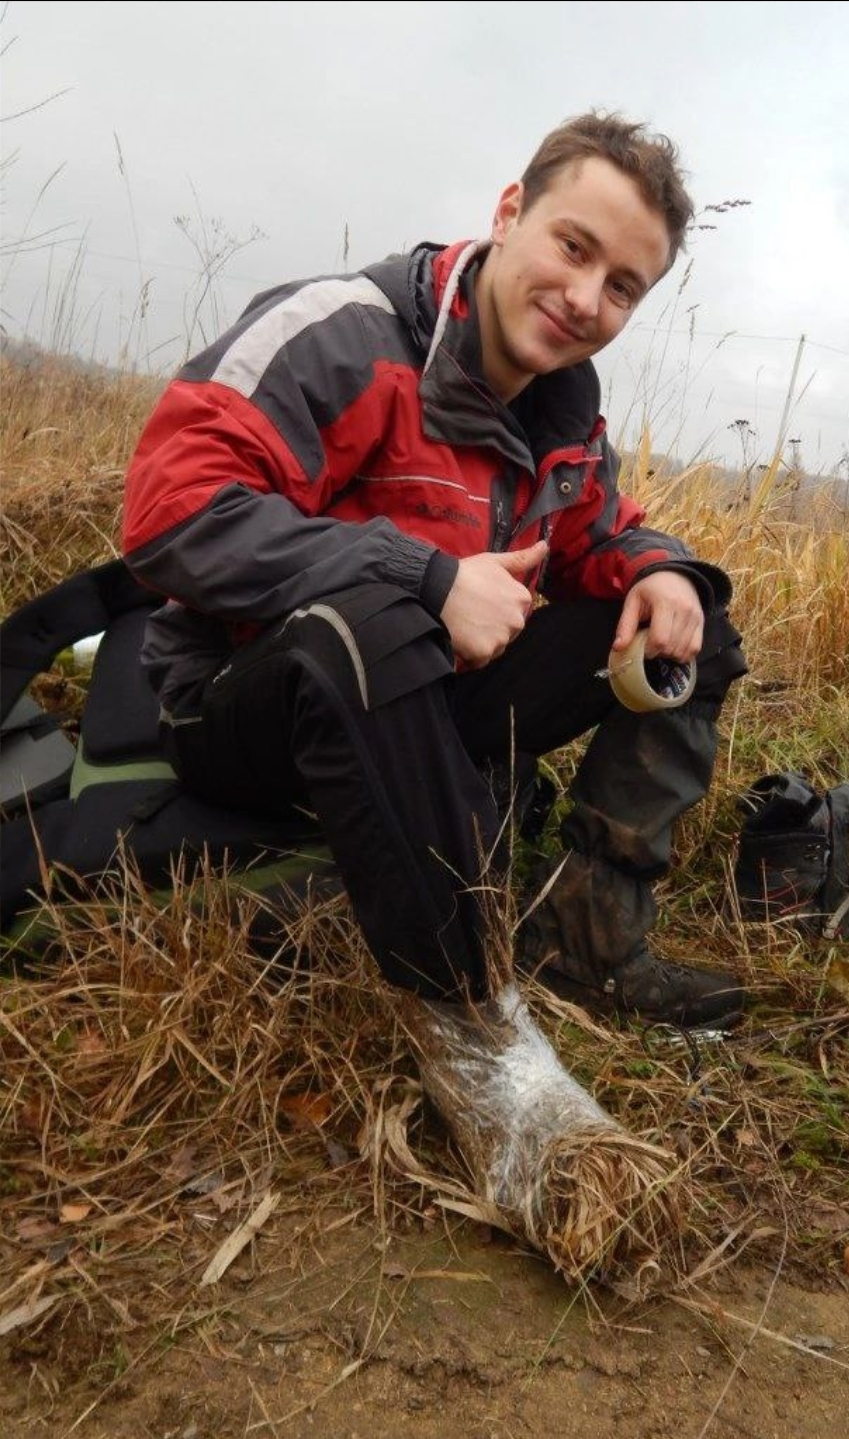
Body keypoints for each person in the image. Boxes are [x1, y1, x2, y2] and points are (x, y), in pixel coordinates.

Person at [121, 112, 749, 1029]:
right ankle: (472, 1019)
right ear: (509, 213)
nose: (584, 299)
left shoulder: (563, 410)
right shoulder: (344, 335)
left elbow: (597, 537)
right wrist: (428, 577)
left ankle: (586, 943)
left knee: (689, 623)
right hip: (240, 707)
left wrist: (660, 571)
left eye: (621, 287)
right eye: (572, 247)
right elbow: (170, 514)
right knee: (370, 624)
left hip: (432, 701)